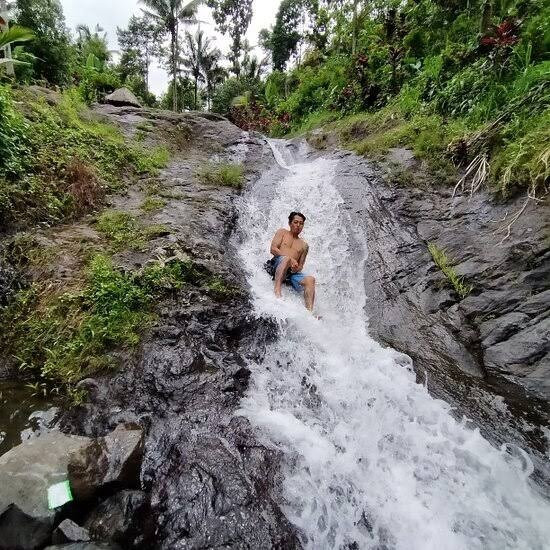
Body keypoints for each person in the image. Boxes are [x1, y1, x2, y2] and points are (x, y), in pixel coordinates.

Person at [268, 211, 316, 311]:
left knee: (311, 280)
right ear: (290, 223)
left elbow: (301, 266)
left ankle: (310, 312)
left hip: (290, 274)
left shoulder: (304, 245)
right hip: (276, 265)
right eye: (295, 222)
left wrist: (296, 268)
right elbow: (273, 249)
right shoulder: (282, 232)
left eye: (301, 223)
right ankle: (277, 293)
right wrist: (290, 259)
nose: (298, 225)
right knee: (286, 259)